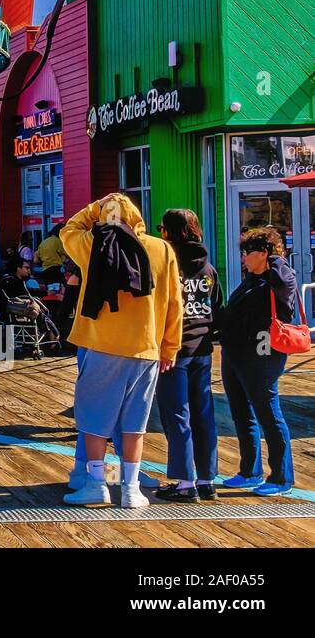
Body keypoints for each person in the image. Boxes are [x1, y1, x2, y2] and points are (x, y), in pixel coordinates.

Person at [60, 193, 182, 509]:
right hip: (146, 348)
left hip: (102, 345)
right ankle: (131, 489)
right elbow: (173, 304)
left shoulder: (93, 246)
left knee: (94, 420)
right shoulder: (162, 249)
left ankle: (96, 484)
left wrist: (95, 209)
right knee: (134, 423)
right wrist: (170, 346)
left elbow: (68, 231)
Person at [216, 225, 298, 496]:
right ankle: (249, 471)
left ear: (263, 253)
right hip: (235, 355)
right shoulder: (250, 280)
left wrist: (274, 257)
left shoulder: (279, 281)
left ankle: (281, 476)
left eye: (247, 253)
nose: (243, 258)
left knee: (269, 414)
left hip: (262, 356)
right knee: (242, 414)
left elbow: (286, 282)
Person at [153, 208, 222, 503]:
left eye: (162, 229)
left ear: (170, 233)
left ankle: (184, 483)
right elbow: (217, 308)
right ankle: (206, 479)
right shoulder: (208, 268)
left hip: (174, 351)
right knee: (203, 413)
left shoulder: (168, 265)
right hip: (203, 350)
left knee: (177, 414)